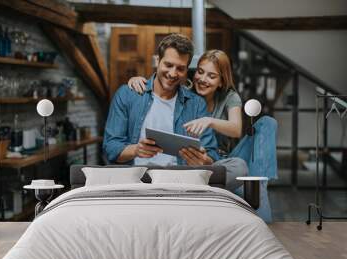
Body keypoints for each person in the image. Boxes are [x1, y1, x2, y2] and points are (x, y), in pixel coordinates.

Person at [128, 49, 278, 222]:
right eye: (200, 72)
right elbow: (161, 84)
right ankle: (226, 186)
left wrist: (209, 120)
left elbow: (236, 129)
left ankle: (259, 184)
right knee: (238, 171)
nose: (203, 79)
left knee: (266, 124)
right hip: (193, 160)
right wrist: (137, 80)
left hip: (224, 161)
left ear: (221, 81)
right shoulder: (185, 92)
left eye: (211, 76)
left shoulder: (229, 97)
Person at [103, 34, 247, 190]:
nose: (172, 73)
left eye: (180, 68)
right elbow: (111, 147)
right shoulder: (128, 94)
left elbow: (211, 153)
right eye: (168, 65)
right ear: (157, 61)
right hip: (137, 177)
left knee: (239, 166)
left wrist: (203, 160)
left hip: (180, 178)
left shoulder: (196, 103)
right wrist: (136, 150)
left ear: (186, 69)